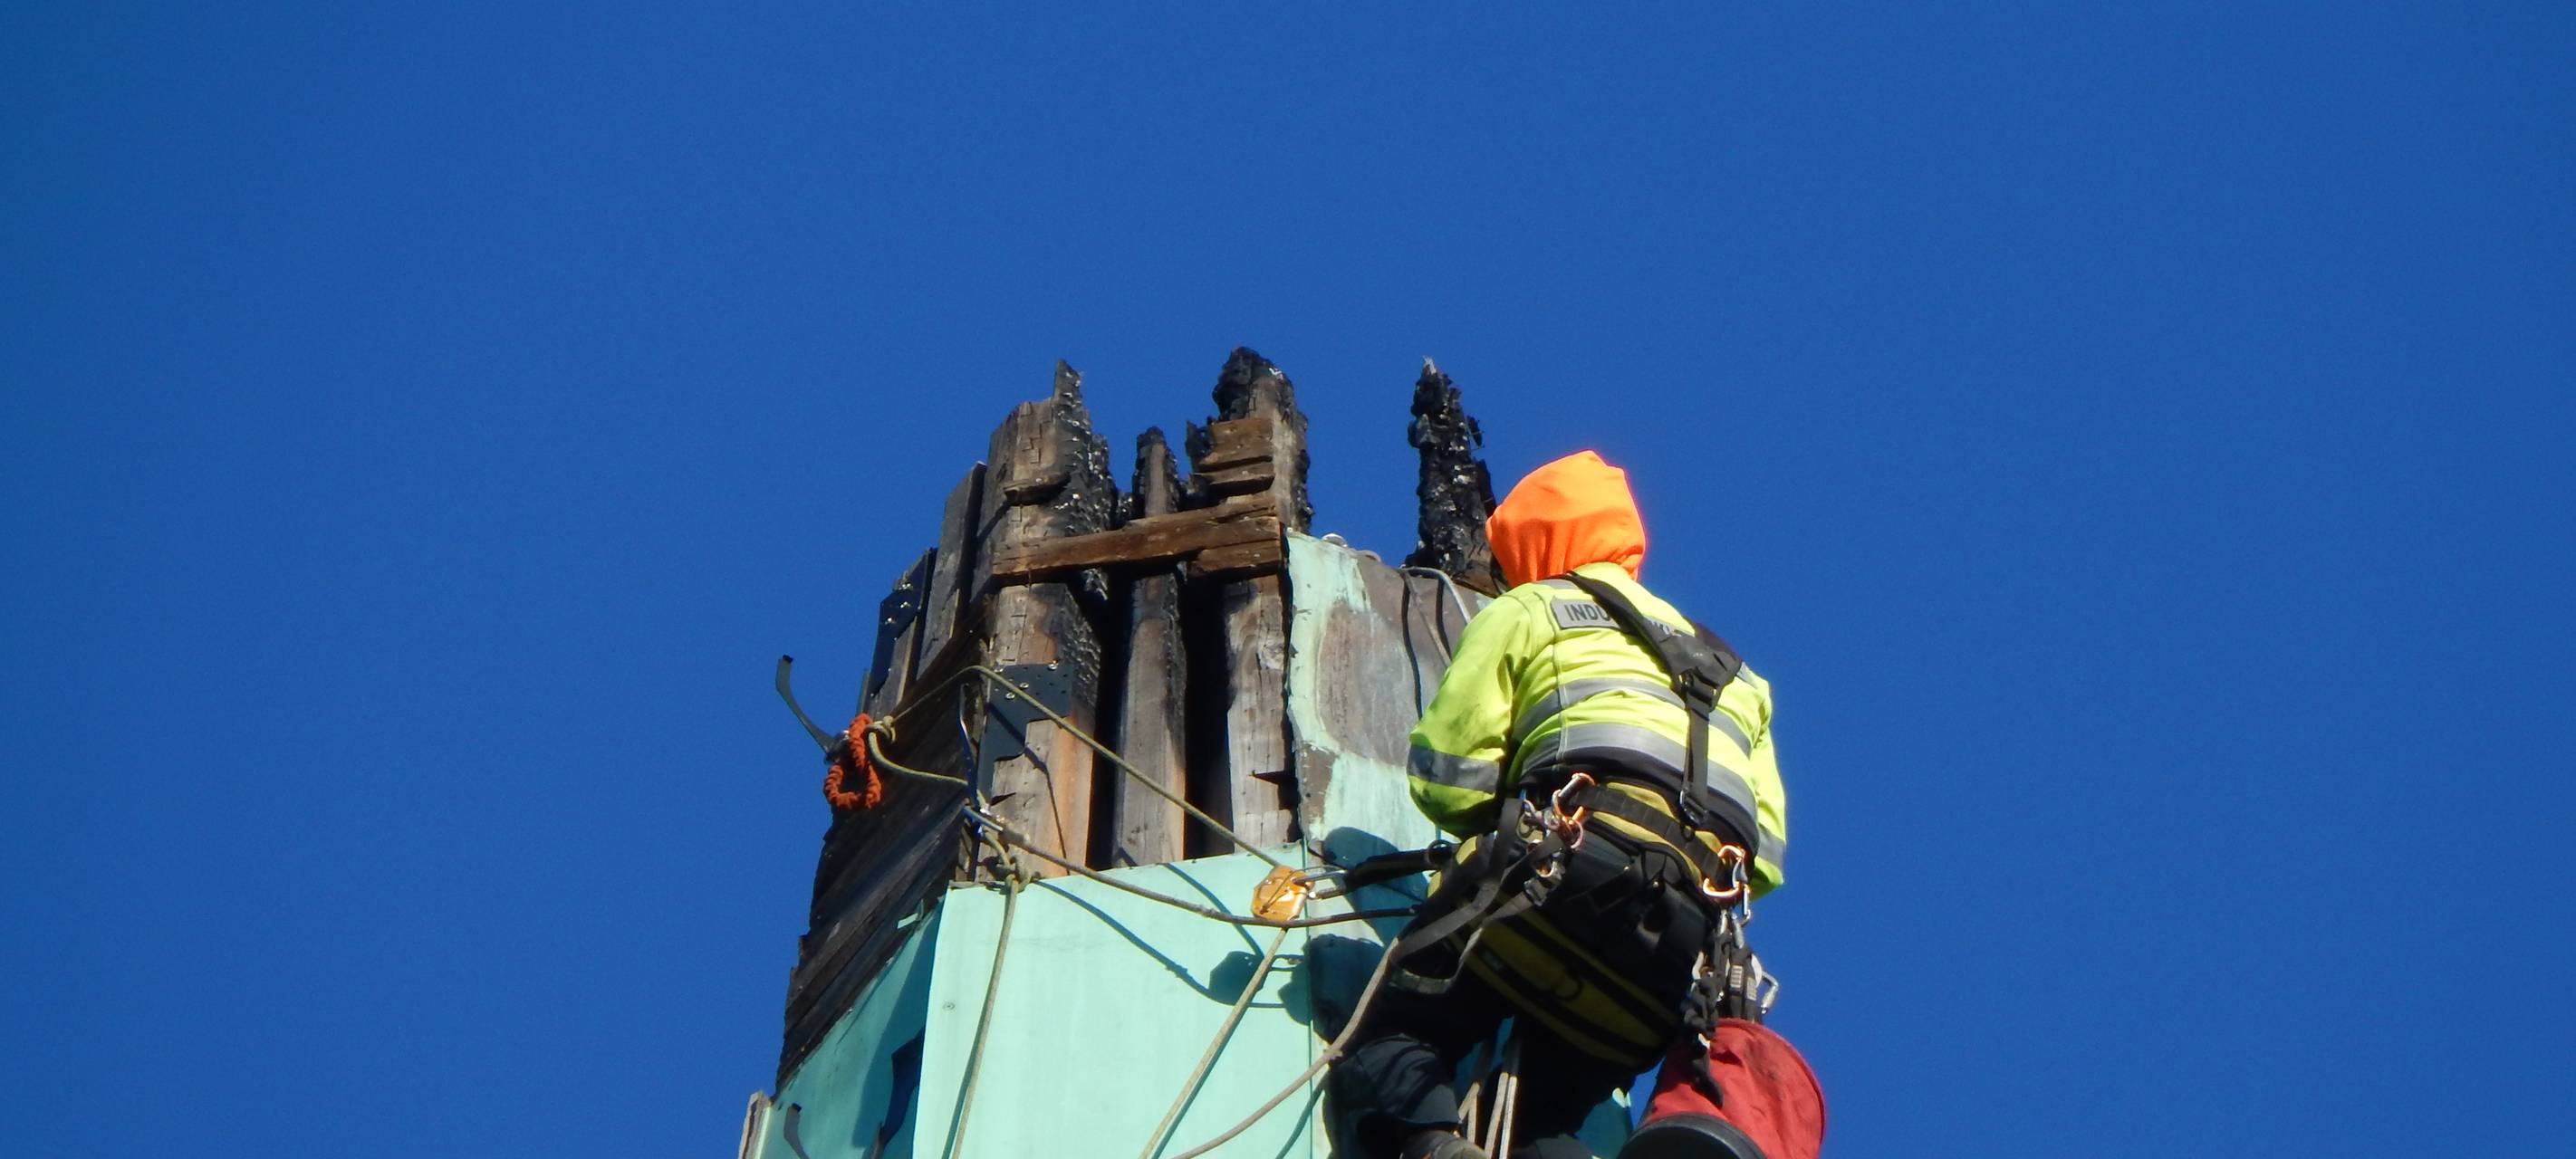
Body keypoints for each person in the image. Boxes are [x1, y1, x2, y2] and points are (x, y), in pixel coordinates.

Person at [1329, 451, 1789, 1159]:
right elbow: (1763, 863)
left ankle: (1431, 1146)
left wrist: (1510, 816)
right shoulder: (1741, 680)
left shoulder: (1531, 608)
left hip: (1553, 882)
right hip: (1675, 951)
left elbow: (1451, 782)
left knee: (1396, 1036)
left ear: (1531, 546)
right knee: (1543, 1123)